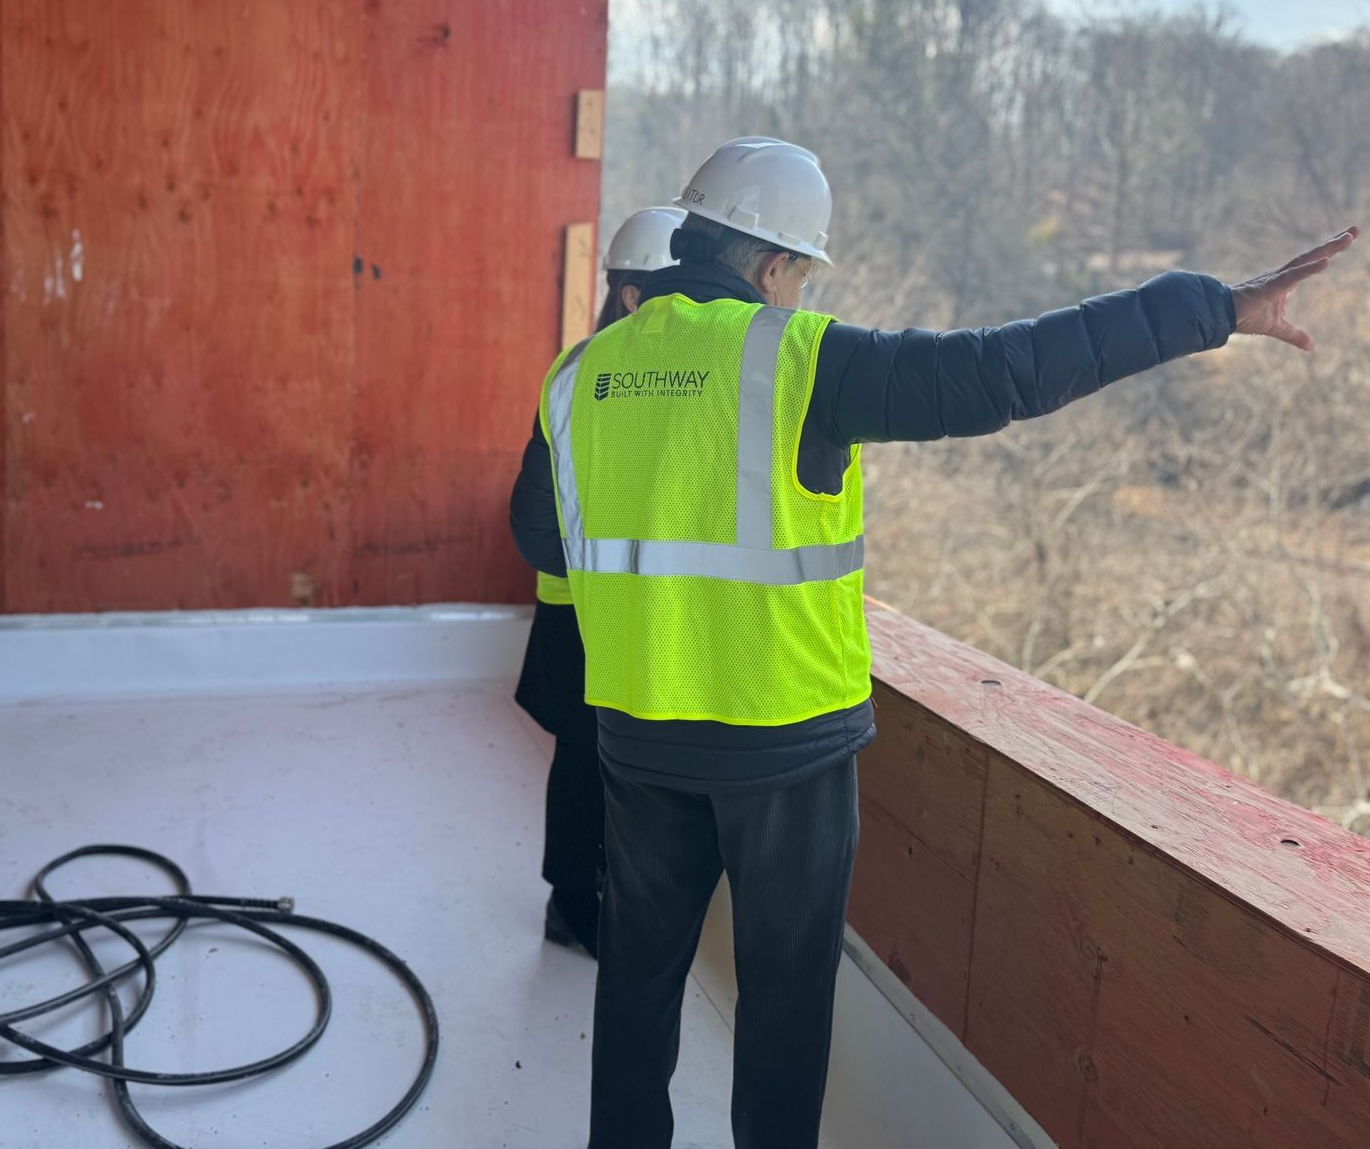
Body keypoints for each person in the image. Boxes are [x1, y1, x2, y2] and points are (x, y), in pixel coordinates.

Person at [506, 136, 1355, 1149]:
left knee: (637, 988)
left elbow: (542, 539)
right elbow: (1003, 373)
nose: (800, 296)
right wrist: (1211, 308)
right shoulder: (800, 358)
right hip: (787, 750)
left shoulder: (579, 374)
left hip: (638, 733)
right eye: (801, 278)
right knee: (783, 1012)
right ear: (774, 267)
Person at [516, 206, 684, 958]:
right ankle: (578, 907)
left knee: (592, 760)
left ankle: (584, 901)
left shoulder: (578, 370)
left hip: (594, 602)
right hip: (590, 610)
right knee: (592, 763)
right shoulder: (603, 375)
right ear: (631, 296)